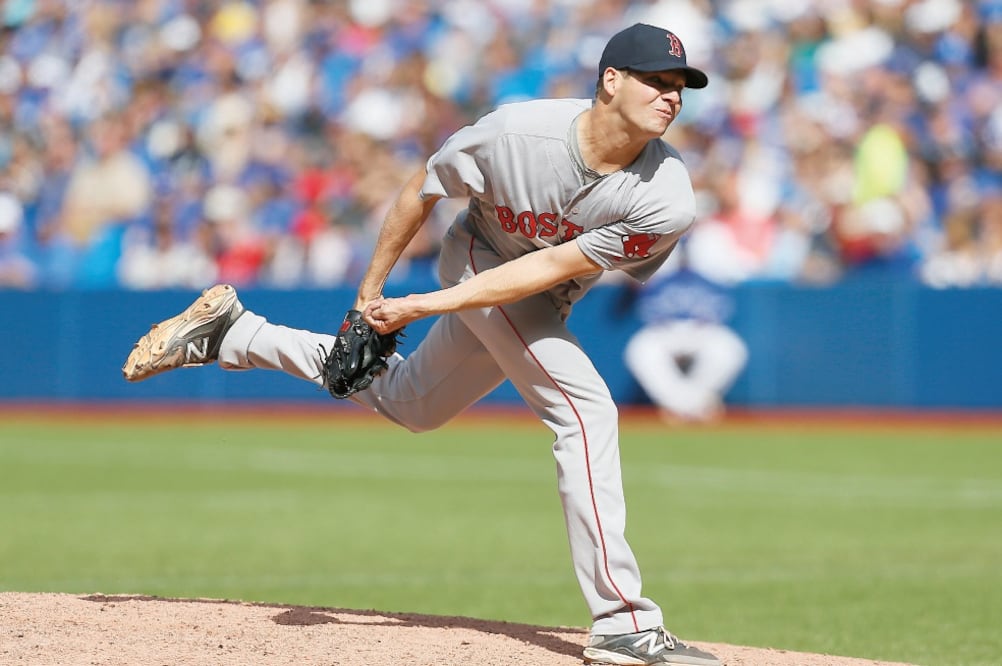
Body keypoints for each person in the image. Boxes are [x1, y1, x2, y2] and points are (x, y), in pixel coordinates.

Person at [123, 23, 721, 666]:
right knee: (585, 409)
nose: (671, 96)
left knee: (413, 405)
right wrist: (368, 295)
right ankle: (622, 622)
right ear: (610, 80)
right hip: (476, 257)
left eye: (680, 85)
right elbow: (422, 190)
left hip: (531, 286)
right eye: (656, 80)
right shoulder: (517, 133)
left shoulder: (667, 195)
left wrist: (424, 305)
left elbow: (549, 270)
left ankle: (237, 334)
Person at [623, 246, 748, 423]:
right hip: (665, 330)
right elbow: (634, 284)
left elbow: (723, 307)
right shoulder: (658, 274)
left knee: (730, 348)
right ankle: (692, 407)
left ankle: (685, 407)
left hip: (703, 330)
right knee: (641, 348)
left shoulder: (712, 271)